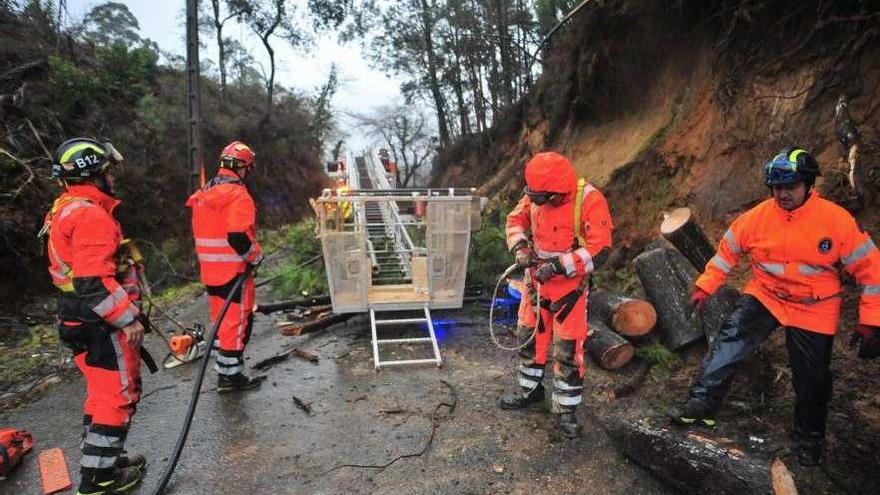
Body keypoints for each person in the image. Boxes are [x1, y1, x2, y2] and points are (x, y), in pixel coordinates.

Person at [670, 147, 880, 466]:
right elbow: (727, 252)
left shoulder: (836, 221)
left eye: (790, 187)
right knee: (729, 342)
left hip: (815, 305)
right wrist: (705, 284)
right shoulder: (757, 218)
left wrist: (871, 319)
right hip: (766, 294)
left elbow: (871, 269)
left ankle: (808, 441)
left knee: (811, 379)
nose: (783, 194)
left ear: (809, 185)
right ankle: (701, 406)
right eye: (777, 187)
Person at [42, 138, 146, 494]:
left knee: (100, 394)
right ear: (94, 174)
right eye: (107, 170)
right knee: (115, 396)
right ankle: (99, 479)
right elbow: (91, 282)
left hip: (76, 317)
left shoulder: (66, 207)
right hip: (97, 320)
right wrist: (127, 319)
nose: (112, 177)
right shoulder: (89, 214)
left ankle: (105, 459)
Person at [499, 151, 614, 438]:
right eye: (532, 197)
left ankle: (567, 410)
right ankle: (530, 391)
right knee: (527, 337)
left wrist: (560, 266)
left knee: (567, 349)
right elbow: (515, 221)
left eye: (539, 198)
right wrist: (521, 247)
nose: (534, 202)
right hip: (535, 282)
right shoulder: (536, 193)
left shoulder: (588, 200)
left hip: (569, 289)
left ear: (555, 194)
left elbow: (600, 250)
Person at [186, 141, 263, 393]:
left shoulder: (204, 195)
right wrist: (255, 257)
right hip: (235, 272)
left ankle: (225, 369)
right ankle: (230, 377)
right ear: (244, 168)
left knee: (221, 322)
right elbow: (238, 236)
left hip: (211, 272)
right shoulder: (238, 196)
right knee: (237, 323)